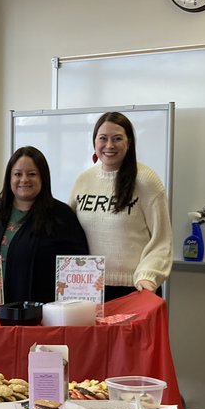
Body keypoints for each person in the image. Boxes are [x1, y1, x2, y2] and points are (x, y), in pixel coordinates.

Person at [70, 112, 173, 302]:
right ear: (94, 142)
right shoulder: (83, 180)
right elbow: (67, 232)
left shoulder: (146, 181)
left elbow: (162, 240)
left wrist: (148, 277)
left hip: (136, 288)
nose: (109, 145)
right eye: (103, 138)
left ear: (129, 142)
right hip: (87, 288)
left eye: (117, 138)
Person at [0, 145, 87, 304]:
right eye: (17, 174)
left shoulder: (61, 215)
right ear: (9, 178)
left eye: (32, 174)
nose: (24, 180)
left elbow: (78, 268)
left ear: (43, 178)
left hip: (41, 312)